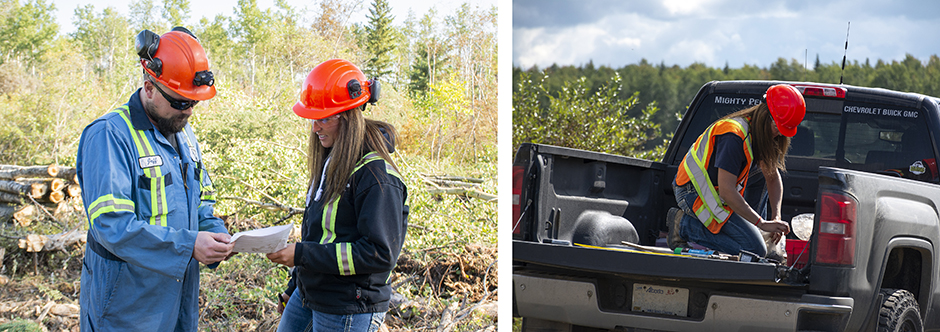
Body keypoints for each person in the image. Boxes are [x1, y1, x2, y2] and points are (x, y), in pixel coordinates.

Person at [76, 27, 233, 331]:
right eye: (179, 102)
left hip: (178, 302)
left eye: (193, 103)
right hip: (126, 307)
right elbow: (112, 225)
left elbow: (201, 202)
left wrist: (216, 235)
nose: (187, 112)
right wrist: (189, 245)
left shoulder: (182, 134)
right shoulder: (110, 136)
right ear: (149, 87)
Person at [266, 59, 408, 332]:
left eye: (323, 119)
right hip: (312, 292)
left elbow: (379, 253)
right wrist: (295, 285)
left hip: (348, 306)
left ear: (347, 116)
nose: (314, 128)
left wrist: (301, 254)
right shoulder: (333, 160)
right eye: (312, 118)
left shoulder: (377, 177)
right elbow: (321, 236)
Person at [669, 84, 805, 257]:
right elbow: (726, 191)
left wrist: (776, 217)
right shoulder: (733, 135)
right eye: (778, 127)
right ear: (766, 115)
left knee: (764, 174)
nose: (779, 134)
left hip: (718, 190)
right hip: (691, 191)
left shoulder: (758, 132)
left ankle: (755, 233)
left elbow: (772, 177)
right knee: (755, 251)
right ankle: (683, 225)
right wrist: (761, 223)